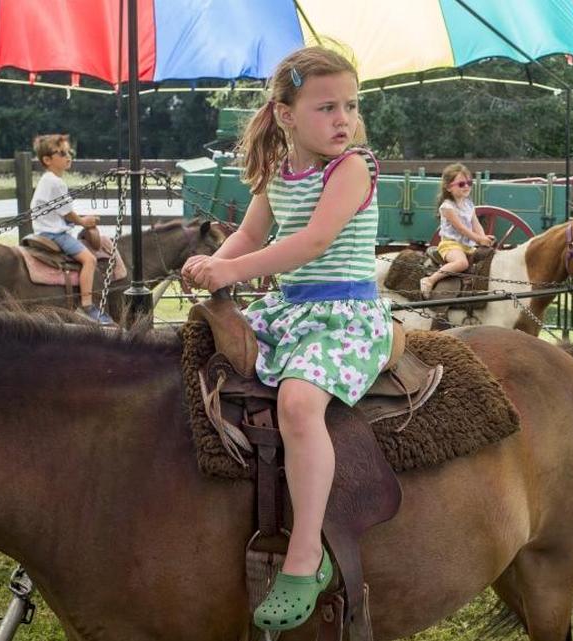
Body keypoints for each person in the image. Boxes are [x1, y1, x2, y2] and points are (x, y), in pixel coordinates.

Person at [180, 46, 392, 632]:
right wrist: (213, 267)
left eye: (350, 105)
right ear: (285, 114)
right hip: (290, 311)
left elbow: (314, 241)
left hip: (345, 315)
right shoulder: (278, 172)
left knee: (299, 403)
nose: (343, 119)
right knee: (197, 358)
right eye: (327, 108)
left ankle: (306, 552)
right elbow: (252, 233)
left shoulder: (352, 167)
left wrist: (230, 270)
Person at [30, 134, 113, 324]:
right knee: (89, 260)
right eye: (62, 153)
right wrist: (84, 222)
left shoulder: (47, 179)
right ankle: (87, 306)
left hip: (44, 229)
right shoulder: (56, 182)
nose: (68, 157)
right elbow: (67, 212)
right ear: (47, 160)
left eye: (69, 152)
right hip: (55, 233)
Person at [419, 163, 493, 297]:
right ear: (448, 187)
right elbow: (461, 228)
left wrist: (483, 239)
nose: (466, 186)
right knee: (462, 263)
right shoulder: (447, 207)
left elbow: (476, 223)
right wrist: (478, 239)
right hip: (450, 245)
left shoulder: (468, 204)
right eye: (461, 184)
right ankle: (430, 280)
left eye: (469, 183)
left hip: (467, 246)